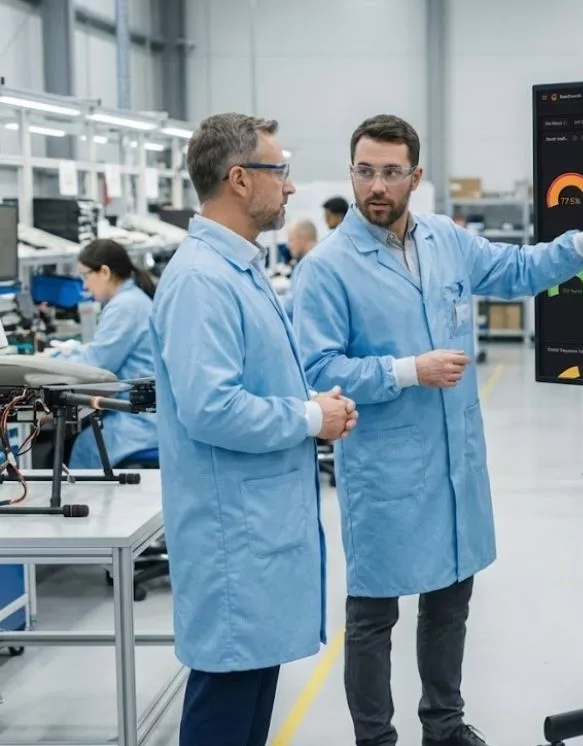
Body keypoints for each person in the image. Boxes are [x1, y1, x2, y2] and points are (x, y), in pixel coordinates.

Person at [291, 113, 583, 746]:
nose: (376, 186)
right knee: (373, 616)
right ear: (351, 173)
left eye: (391, 173)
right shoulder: (327, 267)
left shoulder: (445, 240)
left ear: (415, 177)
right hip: (385, 469)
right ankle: (375, 739)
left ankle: (445, 726)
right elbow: (318, 369)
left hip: (455, 461)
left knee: (450, 603)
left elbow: (518, 270)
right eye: (365, 172)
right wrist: (409, 370)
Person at [148, 111, 358, 746]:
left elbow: (248, 382)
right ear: (240, 179)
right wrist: (309, 417)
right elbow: (211, 408)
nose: (290, 186)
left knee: (249, 703)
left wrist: (308, 402)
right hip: (232, 541)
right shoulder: (201, 280)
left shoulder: (236, 268)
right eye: (280, 171)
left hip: (256, 533)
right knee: (226, 707)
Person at [50, 238, 158, 469]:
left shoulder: (125, 306)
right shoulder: (133, 299)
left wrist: (50, 363)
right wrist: (70, 353)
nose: (84, 286)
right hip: (142, 413)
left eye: (85, 276)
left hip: (139, 421)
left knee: (83, 448)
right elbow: (102, 350)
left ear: (105, 272)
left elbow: (97, 364)